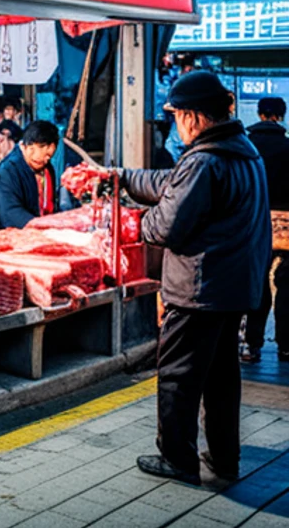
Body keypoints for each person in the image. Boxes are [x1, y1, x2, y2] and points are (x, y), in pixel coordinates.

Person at [115, 71, 271, 485]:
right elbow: (171, 184)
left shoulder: (203, 160)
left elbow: (166, 226)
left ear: (195, 117)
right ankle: (224, 457)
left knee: (178, 379)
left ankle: (177, 459)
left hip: (199, 290)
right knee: (221, 377)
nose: (176, 124)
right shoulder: (242, 151)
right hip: (231, 289)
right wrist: (125, 177)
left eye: (177, 116)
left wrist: (135, 220)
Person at [242, 96, 289, 363]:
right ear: (280, 116)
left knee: (258, 283)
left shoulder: (248, 147)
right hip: (287, 227)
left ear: (260, 115)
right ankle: (286, 346)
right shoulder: (288, 146)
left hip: (255, 224)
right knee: (288, 285)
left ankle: (253, 344)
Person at [0, 120, 59, 231]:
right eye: (44, 154)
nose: (45, 159)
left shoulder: (47, 169)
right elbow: (10, 214)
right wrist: (43, 228)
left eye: (49, 156)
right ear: (28, 146)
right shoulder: (7, 172)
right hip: (14, 238)